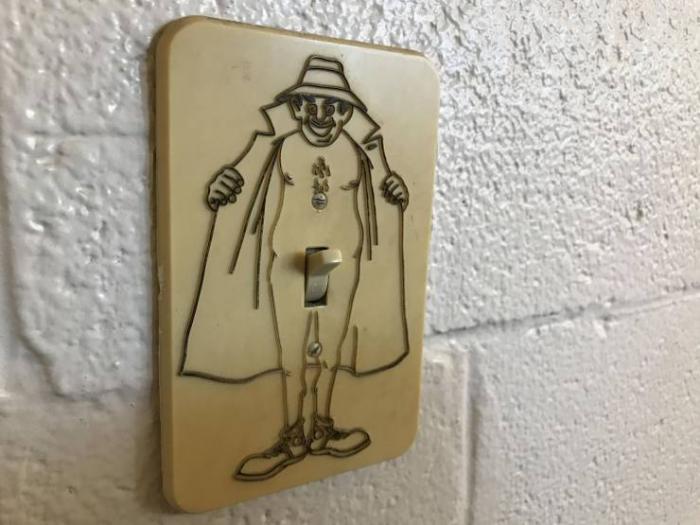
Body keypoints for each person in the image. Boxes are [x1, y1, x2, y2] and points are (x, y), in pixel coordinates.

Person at [179, 56, 410, 481]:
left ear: (347, 113)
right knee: (293, 349)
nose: (322, 116)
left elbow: (387, 191)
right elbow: (238, 179)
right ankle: (291, 434)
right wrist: (221, 188)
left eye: (334, 107)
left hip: (333, 262)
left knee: (327, 344)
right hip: (293, 259)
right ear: (298, 107)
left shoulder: (360, 153)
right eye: (312, 105)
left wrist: (397, 190)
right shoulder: (279, 146)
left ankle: (320, 426)